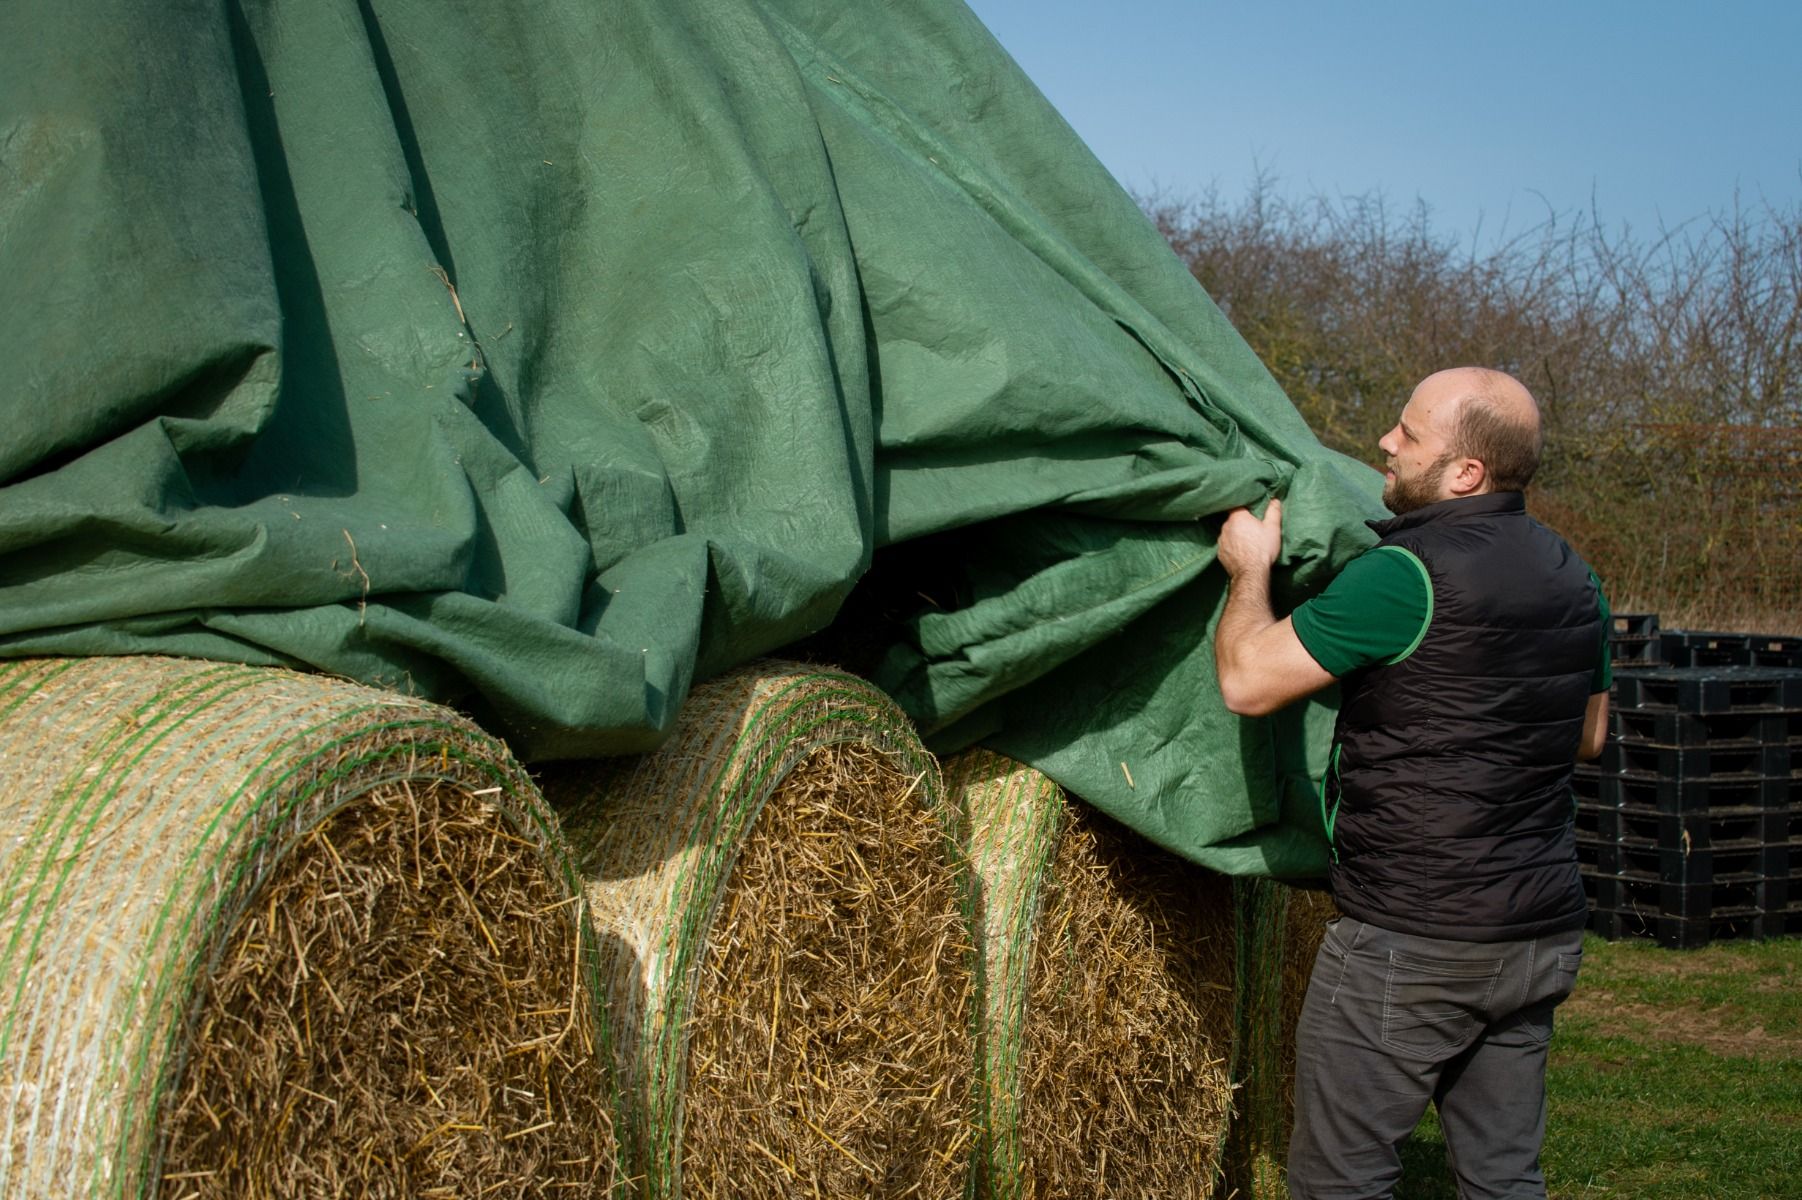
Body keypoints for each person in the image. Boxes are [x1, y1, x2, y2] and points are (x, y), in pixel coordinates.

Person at [1213, 366, 1611, 1200]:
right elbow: (1589, 734)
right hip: (1537, 935)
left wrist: (1250, 569)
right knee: (1504, 1178)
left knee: (1340, 1183)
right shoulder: (1576, 574)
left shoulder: (1407, 574)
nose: (1385, 444)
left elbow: (1249, 681)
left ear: (1466, 472)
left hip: (1415, 938)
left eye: (1408, 433)